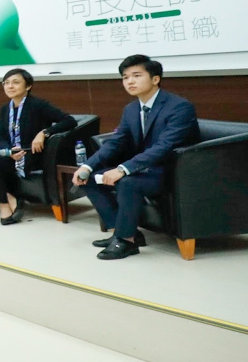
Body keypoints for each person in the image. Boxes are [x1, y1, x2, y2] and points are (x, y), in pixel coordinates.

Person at [73, 55, 199, 260]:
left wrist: (123, 169)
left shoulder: (179, 107)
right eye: (125, 77)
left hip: (173, 170)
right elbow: (116, 142)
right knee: (91, 179)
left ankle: (126, 242)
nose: (130, 81)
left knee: (128, 182)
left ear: (155, 79)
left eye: (137, 76)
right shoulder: (131, 109)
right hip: (145, 168)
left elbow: (164, 146)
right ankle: (121, 231)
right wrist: (87, 166)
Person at [0, 68, 77, 225]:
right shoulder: (5, 109)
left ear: (28, 86)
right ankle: (9, 198)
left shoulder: (38, 105)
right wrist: (9, 151)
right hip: (12, 153)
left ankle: (5, 207)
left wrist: (44, 133)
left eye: (16, 82)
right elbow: (3, 136)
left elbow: (69, 121)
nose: (10, 86)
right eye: (6, 83)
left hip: (31, 153)